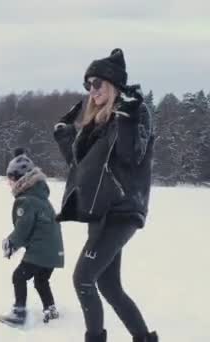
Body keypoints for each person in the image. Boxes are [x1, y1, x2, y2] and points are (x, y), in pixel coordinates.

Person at [53, 48, 158, 342]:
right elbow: (81, 169)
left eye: (97, 83)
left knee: (83, 279)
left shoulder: (137, 112)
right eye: (88, 84)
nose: (92, 90)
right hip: (101, 211)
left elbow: (131, 157)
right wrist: (65, 135)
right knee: (109, 286)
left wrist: (126, 117)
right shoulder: (99, 122)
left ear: (113, 84)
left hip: (123, 211)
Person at [0, 148, 64, 327]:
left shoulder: (26, 201)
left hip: (40, 251)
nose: (8, 183)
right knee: (41, 280)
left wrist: (11, 243)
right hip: (54, 252)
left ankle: (19, 313)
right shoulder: (41, 198)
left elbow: (23, 228)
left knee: (19, 277)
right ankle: (50, 308)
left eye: (10, 179)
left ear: (19, 179)